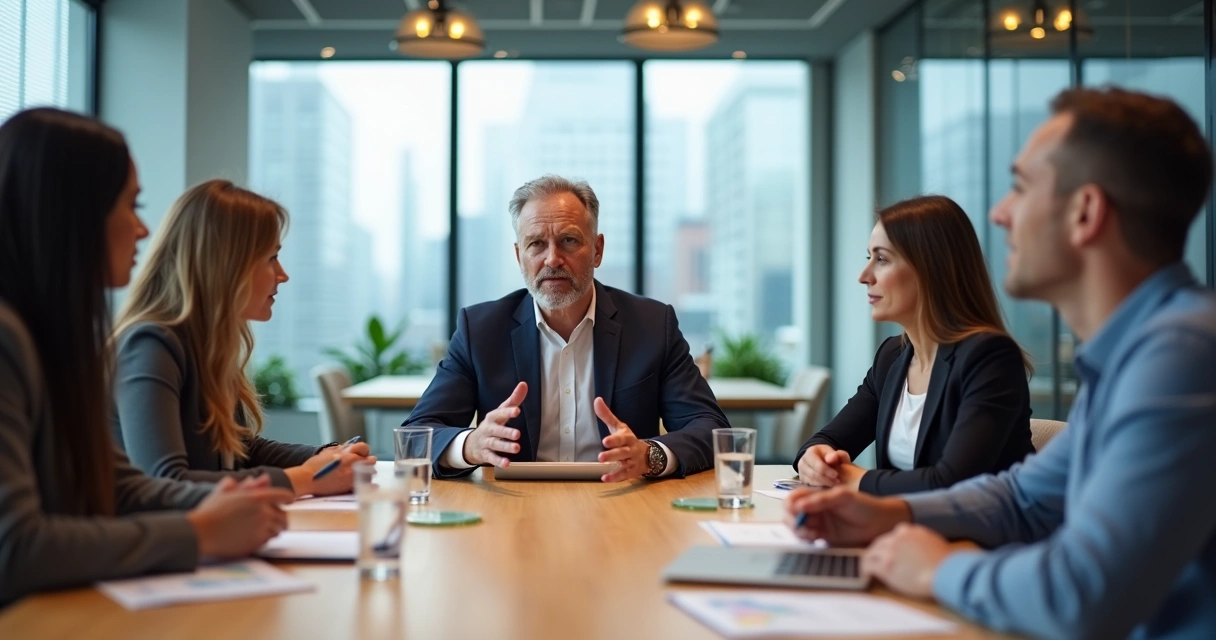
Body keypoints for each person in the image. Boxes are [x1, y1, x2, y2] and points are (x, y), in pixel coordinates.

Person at [785, 87, 1216, 639]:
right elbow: (1022, 496)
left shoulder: (1181, 358)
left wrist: (939, 568)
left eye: (1019, 187)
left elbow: (1079, 595)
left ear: (1085, 212)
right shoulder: (1134, 355)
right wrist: (896, 514)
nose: (1000, 213)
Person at [0, 108, 293, 606]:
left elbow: (124, 487)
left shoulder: (54, 342)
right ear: (73, 213)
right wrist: (198, 534)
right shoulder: (10, 341)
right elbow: (14, 548)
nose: (142, 230)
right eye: (130, 206)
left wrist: (233, 504)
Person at [405, 174, 730, 482]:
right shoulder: (480, 329)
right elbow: (416, 434)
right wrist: (471, 444)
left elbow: (710, 429)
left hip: (622, 504)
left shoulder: (652, 325)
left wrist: (650, 455)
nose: (552, 259)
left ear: (597, 250)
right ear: (519, 256)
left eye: (569, 240)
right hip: (514, 507)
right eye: (536, 244)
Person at [112, 180, 373, 497]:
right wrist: (305, 479)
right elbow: (164, 480)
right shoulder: (150, 345)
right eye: (271, 257)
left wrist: (326, 458)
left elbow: (241, 451)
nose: (283, 274)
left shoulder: (207, 346)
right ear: (227, 264)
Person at [794, 195, 1033, 495]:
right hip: (901, 532)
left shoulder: (989, 358)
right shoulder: (892, 357)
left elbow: (951, 484)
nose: (864, 276)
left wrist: (851, 478)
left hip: (982, 540)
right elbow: (828, 440)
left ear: (931, 268)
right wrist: (814, 458)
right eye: (868, 257)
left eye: (881, 259)